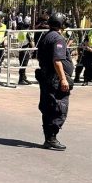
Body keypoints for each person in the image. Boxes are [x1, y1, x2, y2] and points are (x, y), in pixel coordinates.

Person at [36, 12, 74, 150]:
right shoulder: (58, 39)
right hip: (55, 79)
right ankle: (51, 137)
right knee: (58, 107)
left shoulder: (46, 36)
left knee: (48, 106)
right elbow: (57, 60)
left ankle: (48, 138)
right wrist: (63, 79)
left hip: (47, 76)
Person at [17, 20, 34, 85]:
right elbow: (31, 42)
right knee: (23, 65)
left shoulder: (21, 32)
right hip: (25, 50)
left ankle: (23, 78)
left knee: (22, 65)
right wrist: (33, 48)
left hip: (21, 49)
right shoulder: (27, 32)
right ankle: (21, 79)